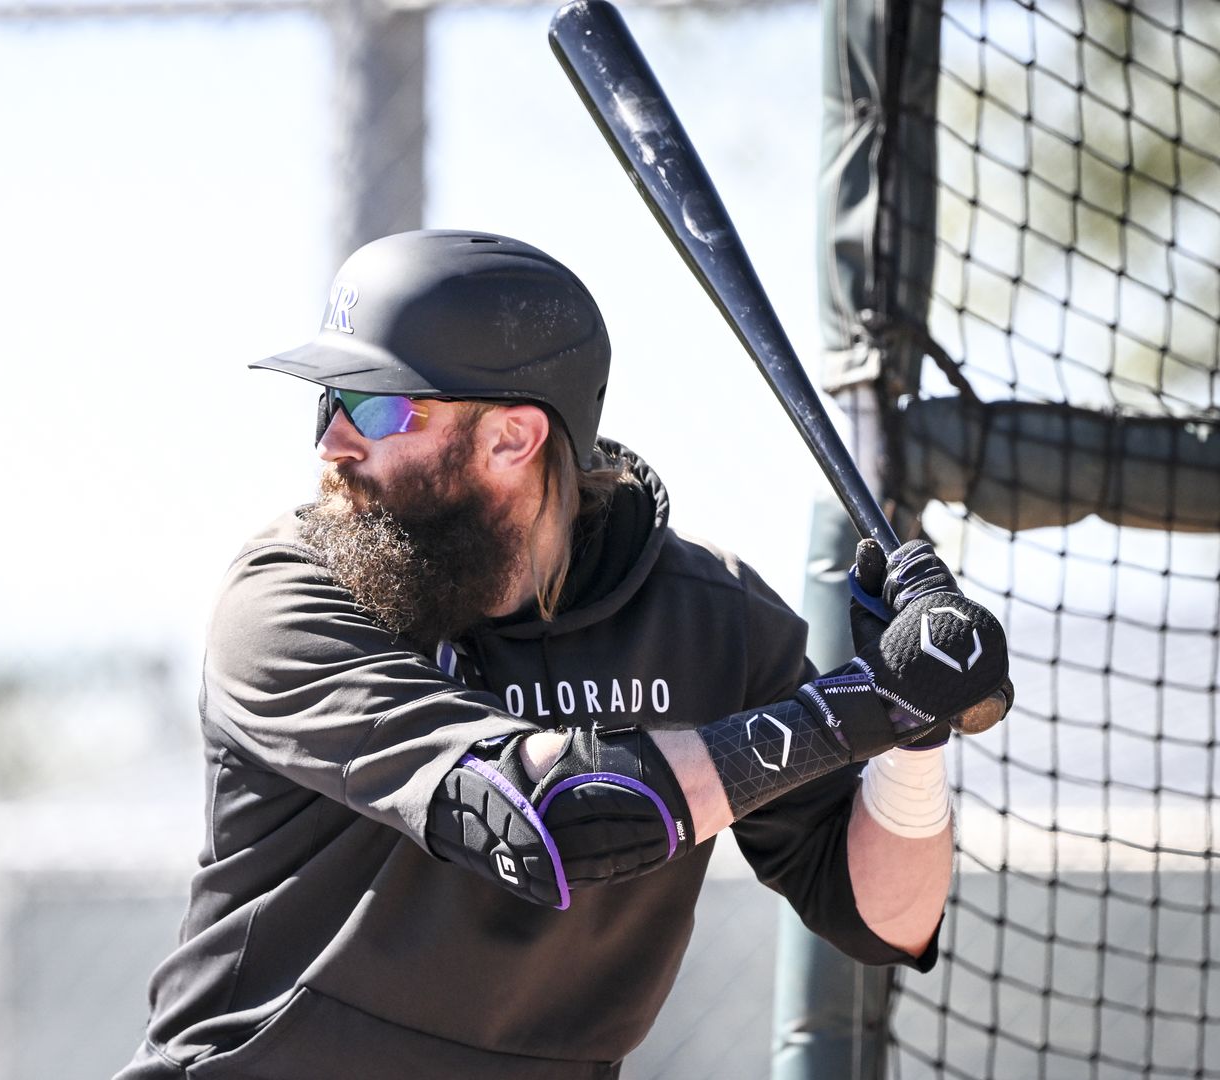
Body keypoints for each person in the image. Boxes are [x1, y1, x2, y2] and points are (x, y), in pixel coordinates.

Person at [117, 229, 1011, 1079]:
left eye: (377, 406)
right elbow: (556, 818)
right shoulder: (292, 596)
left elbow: (884, 915)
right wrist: (862, 706)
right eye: (328, 399)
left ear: (514, 437)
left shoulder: (711, 618)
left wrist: (914, 732)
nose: (332, 441)